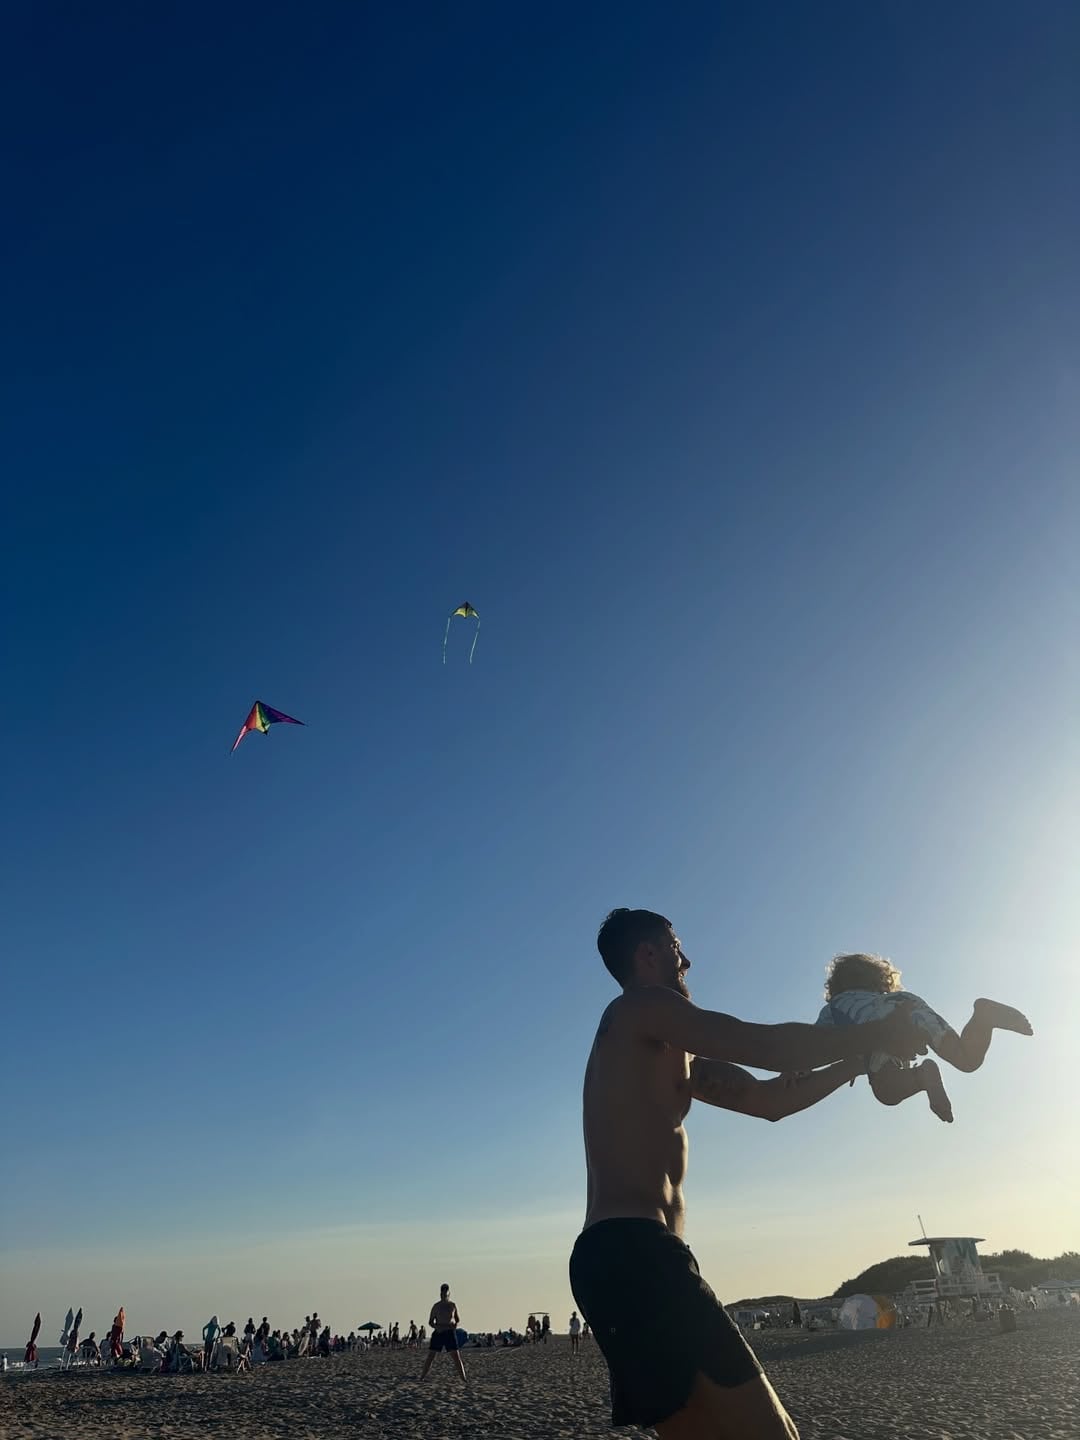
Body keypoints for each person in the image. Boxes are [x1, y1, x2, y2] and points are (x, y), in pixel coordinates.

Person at [570, 909, 929, 1439]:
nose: (687, 961)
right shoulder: (641, 1007)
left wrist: (852, 1064)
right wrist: (877, 1031)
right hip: (635, 1253)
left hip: (620, 1259)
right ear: (647, 954)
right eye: (676, 947)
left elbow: (767, 1100)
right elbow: (764, 1045)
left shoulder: (666, 1051)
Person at [815, 952, 1032, 1122]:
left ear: (836, 986)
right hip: (909, 1005)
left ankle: (923, 1074)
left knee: (887, 1093)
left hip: (881, 1027)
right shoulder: (888, 997)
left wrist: (800, 1071)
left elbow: (815, 1042)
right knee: (966, 1060)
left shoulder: (836, 1006)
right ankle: (983, 1018)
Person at [419, 1283, 466, 1382]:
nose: (444, 1295)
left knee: (456, 1357)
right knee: (431, 1356)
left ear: (449, 1294)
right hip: (439, 1333)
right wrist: (437, 1327)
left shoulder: (452, 1305)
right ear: (440, 1294)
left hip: (449, 1332)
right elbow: (430, 1322)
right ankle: (422, 1377)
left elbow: (457, 1319)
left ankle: (463, 1378)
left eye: (446, 1294)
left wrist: (456, 1324)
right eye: (442, 1294)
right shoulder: (436, 1306)